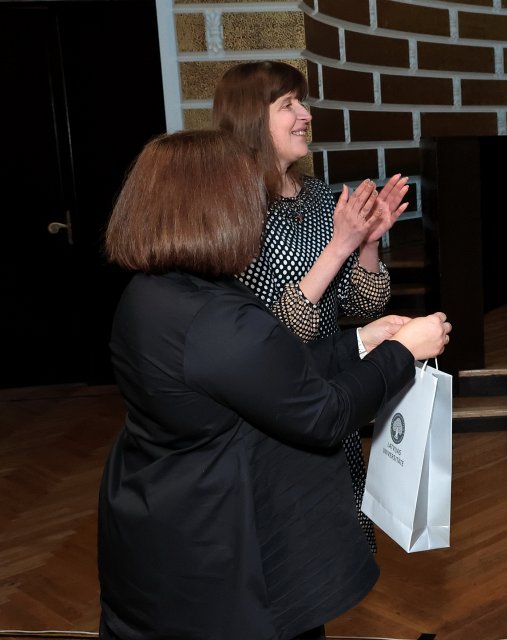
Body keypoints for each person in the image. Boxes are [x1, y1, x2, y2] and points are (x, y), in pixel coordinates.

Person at [97, 129, 452, 640]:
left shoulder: (150, 294)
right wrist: (402, 352)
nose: (256, 214)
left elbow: (267, 374)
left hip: (160, 522)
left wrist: (362, 341)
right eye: (246, 199)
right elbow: (324, 415)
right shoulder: (216, 318)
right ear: (212, 208)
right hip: (226, 548)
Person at [213, 60, 408, 552]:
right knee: (289, 552)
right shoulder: (231, 212)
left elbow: (364, 304)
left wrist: (368, 244)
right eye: (288, 105)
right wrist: (340, 246)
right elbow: (272, 335)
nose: (306, 114)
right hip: (269, 410)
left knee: (337, 549)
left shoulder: (321, 196)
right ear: (252, 119)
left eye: (302, 102)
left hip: (328, 394)